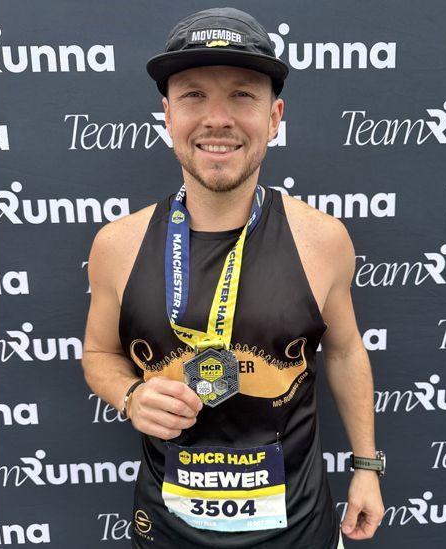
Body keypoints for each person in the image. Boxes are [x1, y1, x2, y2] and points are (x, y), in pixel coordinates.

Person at [82, 7, 385, 548]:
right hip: (167, 531)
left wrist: (366, 464)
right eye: (193, 95)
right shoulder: (117, 245)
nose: (216, 118)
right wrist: (130, 396)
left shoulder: (323, 239)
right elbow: (100, 355)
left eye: (243, 95)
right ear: (167, 115)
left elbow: (343, 351)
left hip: (299, 530)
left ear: (274, 116)